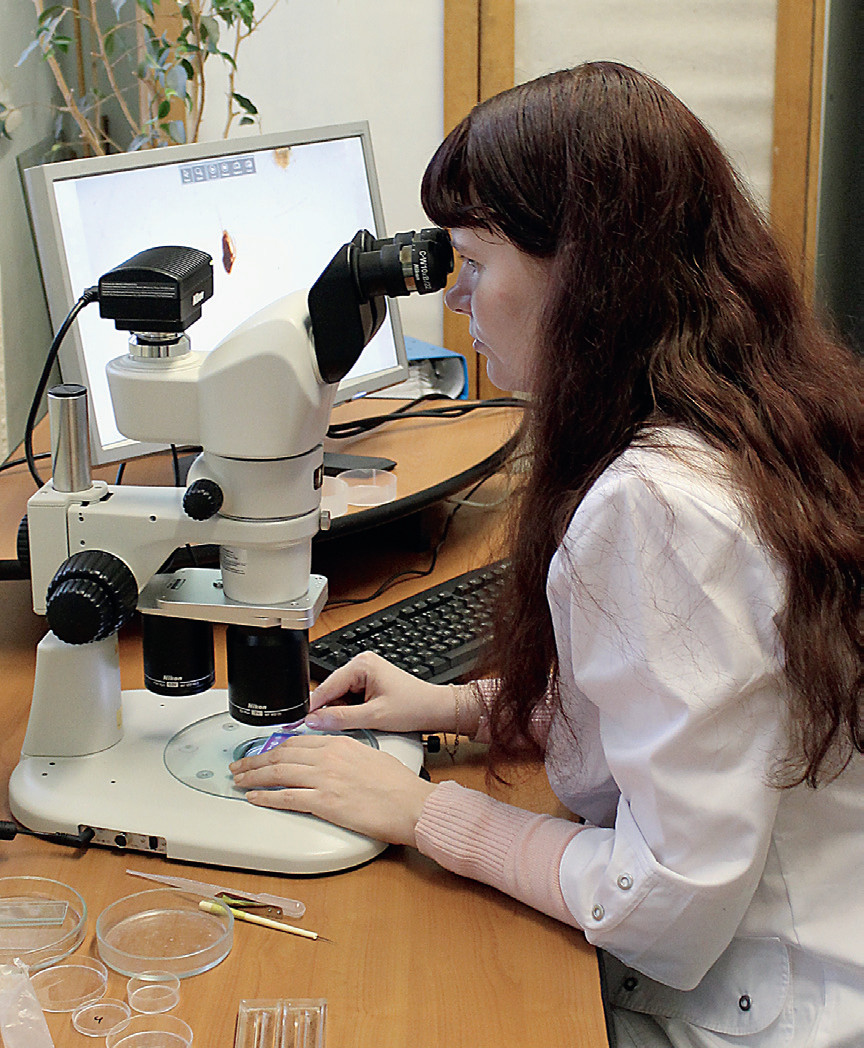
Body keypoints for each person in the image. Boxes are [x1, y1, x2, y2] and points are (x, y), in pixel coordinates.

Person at [230, 62, 863, 1047]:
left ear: (586, 274)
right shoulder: (759, 407)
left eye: (474, 264)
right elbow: (708, 702)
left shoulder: (657, 504)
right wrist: (459, 707)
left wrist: (417, 811)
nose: (455, 300)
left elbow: (667, 901)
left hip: (760, 1005)